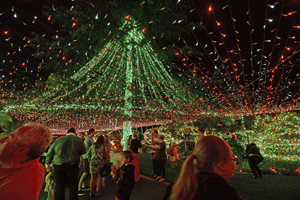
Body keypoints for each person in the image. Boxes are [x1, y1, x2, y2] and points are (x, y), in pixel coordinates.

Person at [163, 135, 245, 200]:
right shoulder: (225, 195)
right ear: (222, 165)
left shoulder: (175, 190)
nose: (234, 163)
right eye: (233, 158)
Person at [0, 123, 52, 200]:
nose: (1, 140)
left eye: (9, 138)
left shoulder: (15, 188)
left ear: (21, 150)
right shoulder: (38, 168)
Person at [45, 128, 86, 200]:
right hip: (72, 165)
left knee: (59, 186)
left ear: (67, 133)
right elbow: (83, 151)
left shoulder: (59, 140)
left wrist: (47, 164)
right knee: (73, 186)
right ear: (75, 133)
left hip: (59, 165)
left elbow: (50, 152)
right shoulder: (78, 140)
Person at [78, 128, 96, 195]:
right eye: (94, 132)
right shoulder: (87, 140)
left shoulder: (91, 139)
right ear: (91, 132)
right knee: (85, 172)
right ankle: (79, 188)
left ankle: (84, 185)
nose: (95, 133)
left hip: (88, 158)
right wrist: (89, 158)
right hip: (86, 158)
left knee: (87, 172)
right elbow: (86, 150)